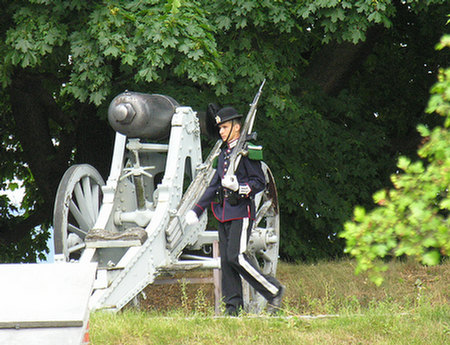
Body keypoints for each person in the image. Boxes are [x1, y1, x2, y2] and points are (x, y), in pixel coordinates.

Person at [185, 106, 285, 316]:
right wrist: (197, 209)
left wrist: (239, 187)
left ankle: (273, 290)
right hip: (223, 212)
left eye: (225, 127)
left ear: (237, 128)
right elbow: (213, 186)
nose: (221, 131)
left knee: (236, 257)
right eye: (220, 127)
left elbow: (259, 182)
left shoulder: (248, 152)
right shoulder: (223, 154)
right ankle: (233, 309)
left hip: (241, 212)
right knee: (226, 263)